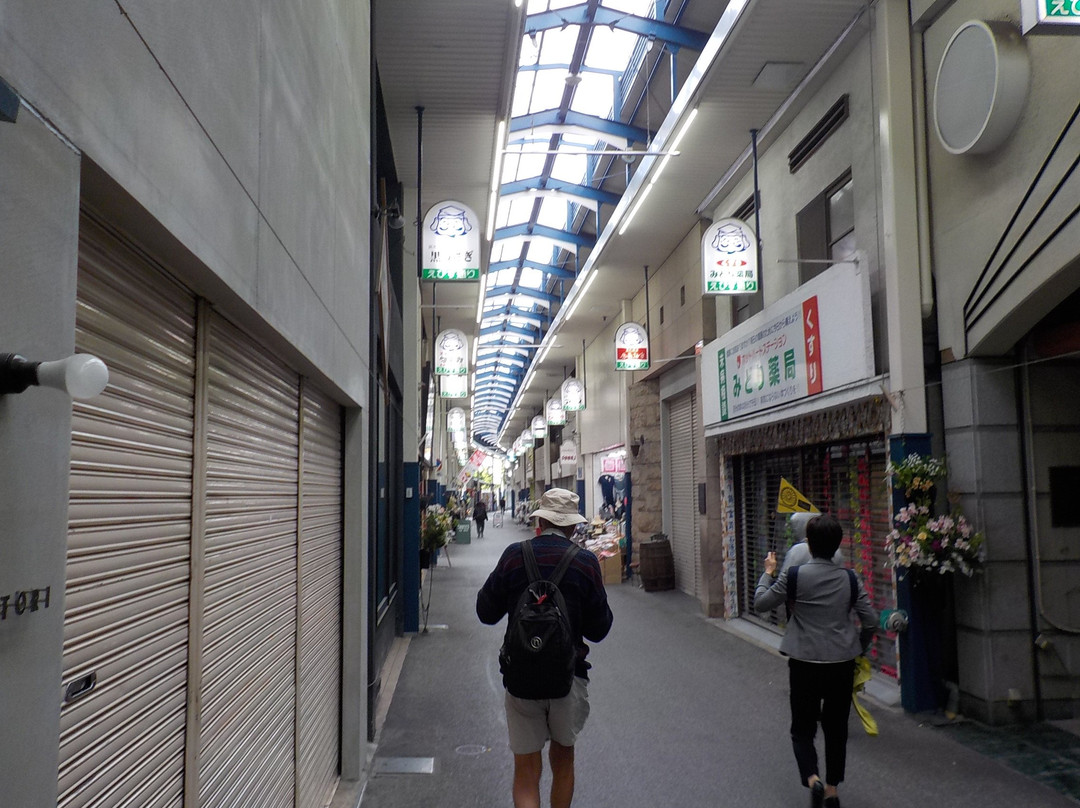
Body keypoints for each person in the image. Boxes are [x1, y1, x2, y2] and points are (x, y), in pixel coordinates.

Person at [476, 488, 613, 808]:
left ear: (539, 520)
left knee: (526, 769)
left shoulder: (514, 555)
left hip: (521, 676)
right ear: (573, 526)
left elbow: (485, 612)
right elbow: (600, 629)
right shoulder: (586, 562)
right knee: (563, 761)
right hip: (569, 678)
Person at [753, 514, 877, 808]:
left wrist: (767, 572)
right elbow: (870, 620)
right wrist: (859, 646)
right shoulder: (849, 577)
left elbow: (761, 603)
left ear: (808, 543)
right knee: (836, 729)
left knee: (802, 728)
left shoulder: (795, 575)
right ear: (838, 544)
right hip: (841, 663)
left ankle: (813, 779)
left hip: (804, 663)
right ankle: (832, 789)